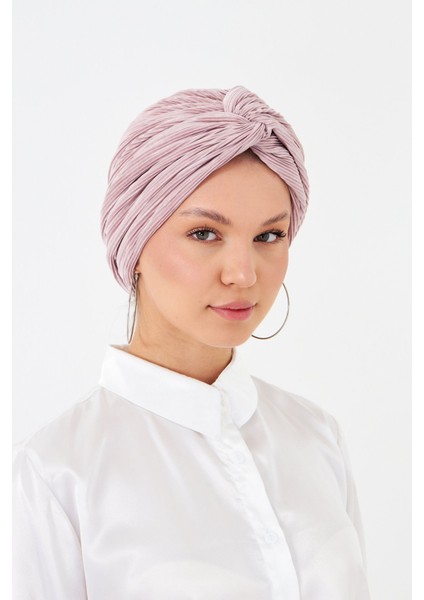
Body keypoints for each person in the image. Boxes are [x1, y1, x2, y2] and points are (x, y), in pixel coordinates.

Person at [13, 85, 371, 599]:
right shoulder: (56, 472)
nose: (244, 274)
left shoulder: (317, 437)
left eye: (269, 236)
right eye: (204, 233)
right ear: (134, 242)